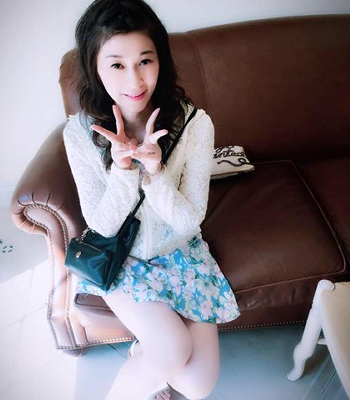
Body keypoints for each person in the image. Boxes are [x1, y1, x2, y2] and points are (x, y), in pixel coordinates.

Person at [63, 1, 240, 399]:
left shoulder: (195, 125)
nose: (135, 80)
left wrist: (157, 173)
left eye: (145, 60)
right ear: (94, 67)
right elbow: (101, 226)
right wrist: (124, 170)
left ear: (161, 59)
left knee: (197, 386)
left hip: (181, 252)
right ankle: (152, 358)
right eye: (116, 64)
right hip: (120, 258)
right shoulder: (79, 133)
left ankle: (146, 353)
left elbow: (189, 220)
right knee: (172, 351)